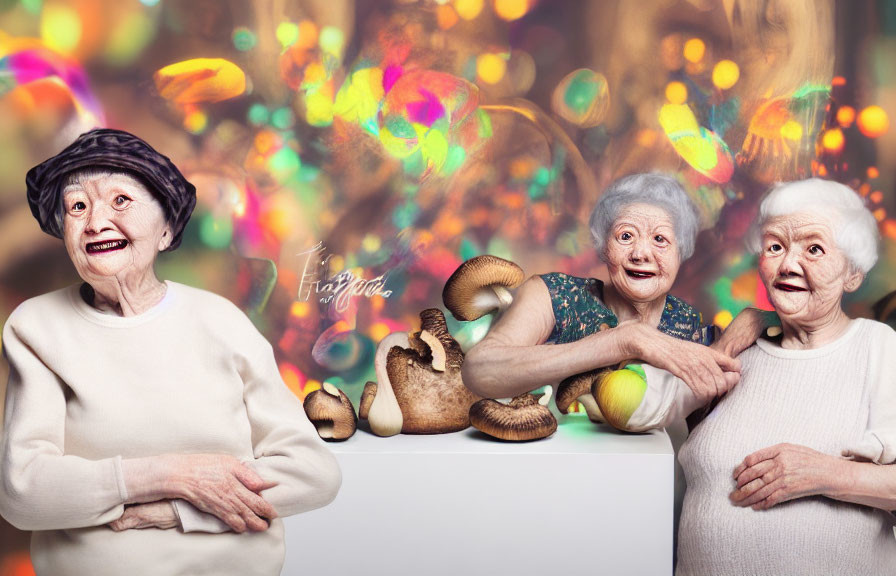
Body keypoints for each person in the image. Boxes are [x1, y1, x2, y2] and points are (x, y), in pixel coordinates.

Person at [0, 128, 341, 576]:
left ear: (165, 230)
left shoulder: (222, 322)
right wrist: (174, 475)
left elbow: (314, 473)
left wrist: (178, 509)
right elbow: (23, 493)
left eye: (120, 201)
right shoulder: (37, 327)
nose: (96, 222)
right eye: (77, 206)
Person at [606, 178, 896, 575]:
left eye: (814, 249)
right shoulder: (741, 346)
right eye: (775, 246)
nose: (788, 265)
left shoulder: (878, 347)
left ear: (853, 273)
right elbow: (636, 410)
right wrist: (724, 347)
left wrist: (825, 473)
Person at [462, 172, 753, 405]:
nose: (641, 253)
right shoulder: (554, 295)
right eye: (626, 235)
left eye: (660, 240)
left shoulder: (688, 325)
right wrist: (624, 339)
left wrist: (760, 318)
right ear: (604, 247)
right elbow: (479, 370)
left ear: (681, 252)